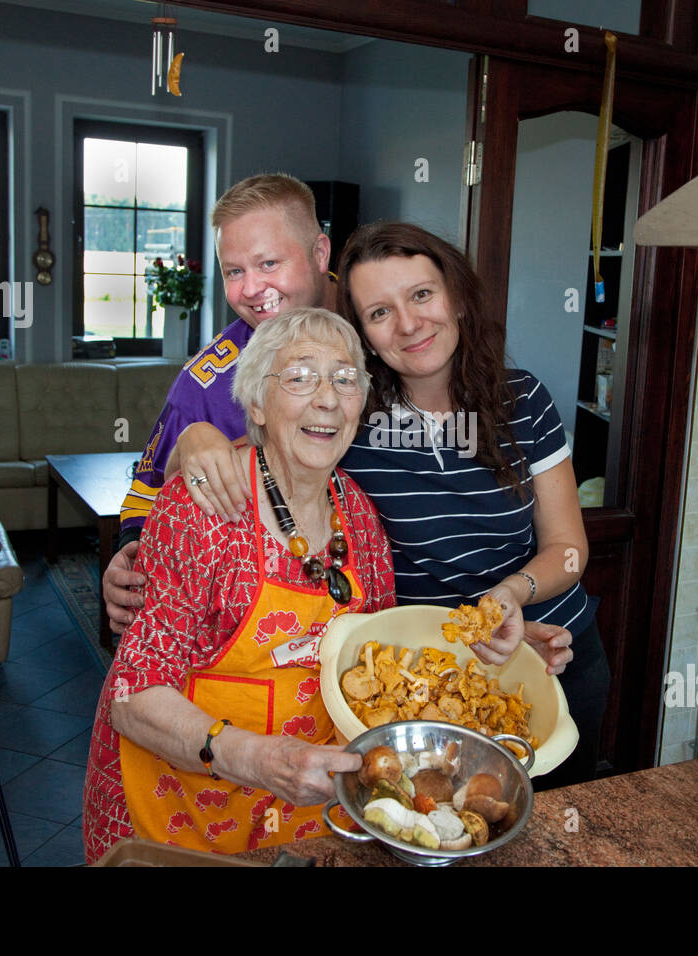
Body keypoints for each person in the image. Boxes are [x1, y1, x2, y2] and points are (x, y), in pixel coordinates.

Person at [167, 223, 607, 789]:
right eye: (379, 312)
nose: (407, 324)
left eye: (421, 295)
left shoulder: (523, 400)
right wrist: (193, 435)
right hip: (429, 682)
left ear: (456, 297)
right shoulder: (350, 413)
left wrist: (508, 598)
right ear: (365, 336)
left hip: (553, 659)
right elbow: (260, 449)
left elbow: (569, 548)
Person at [83, 308, 395, 861]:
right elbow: (132, 698)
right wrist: (261, 761)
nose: (327, 397)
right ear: (256, 404)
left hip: (304, 812)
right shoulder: (201, 506)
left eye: (345, 379)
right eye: (299, 376)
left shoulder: (361, 518)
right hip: (182, 809)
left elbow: (380, 671)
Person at [104, 173, 338, 636]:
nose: (251, 289)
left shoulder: (385, 327)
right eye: (234, 271)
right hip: (261, 623)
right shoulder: (204, 385)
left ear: (319, 253)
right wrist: (130, 554)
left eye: (268, 263)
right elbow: (143, 498)